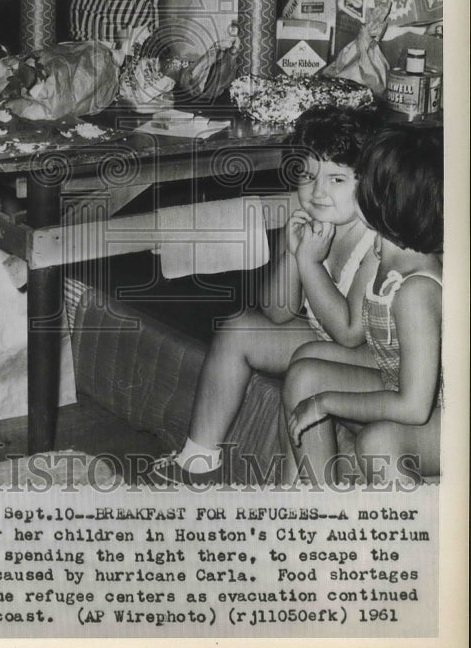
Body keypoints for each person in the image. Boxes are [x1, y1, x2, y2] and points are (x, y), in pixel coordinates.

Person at [149, 105, 384, 486]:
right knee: (239, 328)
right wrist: (293, 254)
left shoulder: (377, 239)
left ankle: (304, 494)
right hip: (326, 342)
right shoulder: (311, 220)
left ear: (368, 181)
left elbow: (351, 334)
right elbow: (277, 312)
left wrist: (308, 263)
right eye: (307, 177)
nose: (318, 192)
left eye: (337, 180)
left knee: (306, 367)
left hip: (376, 364)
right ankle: (197, 463)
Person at [284, 125, 443, 487]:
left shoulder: (416, 291)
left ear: (381, 201)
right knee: (304, 370)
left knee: (377, 443)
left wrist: (326, 402)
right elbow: (361, 338)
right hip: (402, 382)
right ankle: (320, 501)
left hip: (443, 414)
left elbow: (415, 407)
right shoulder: (382, 251)